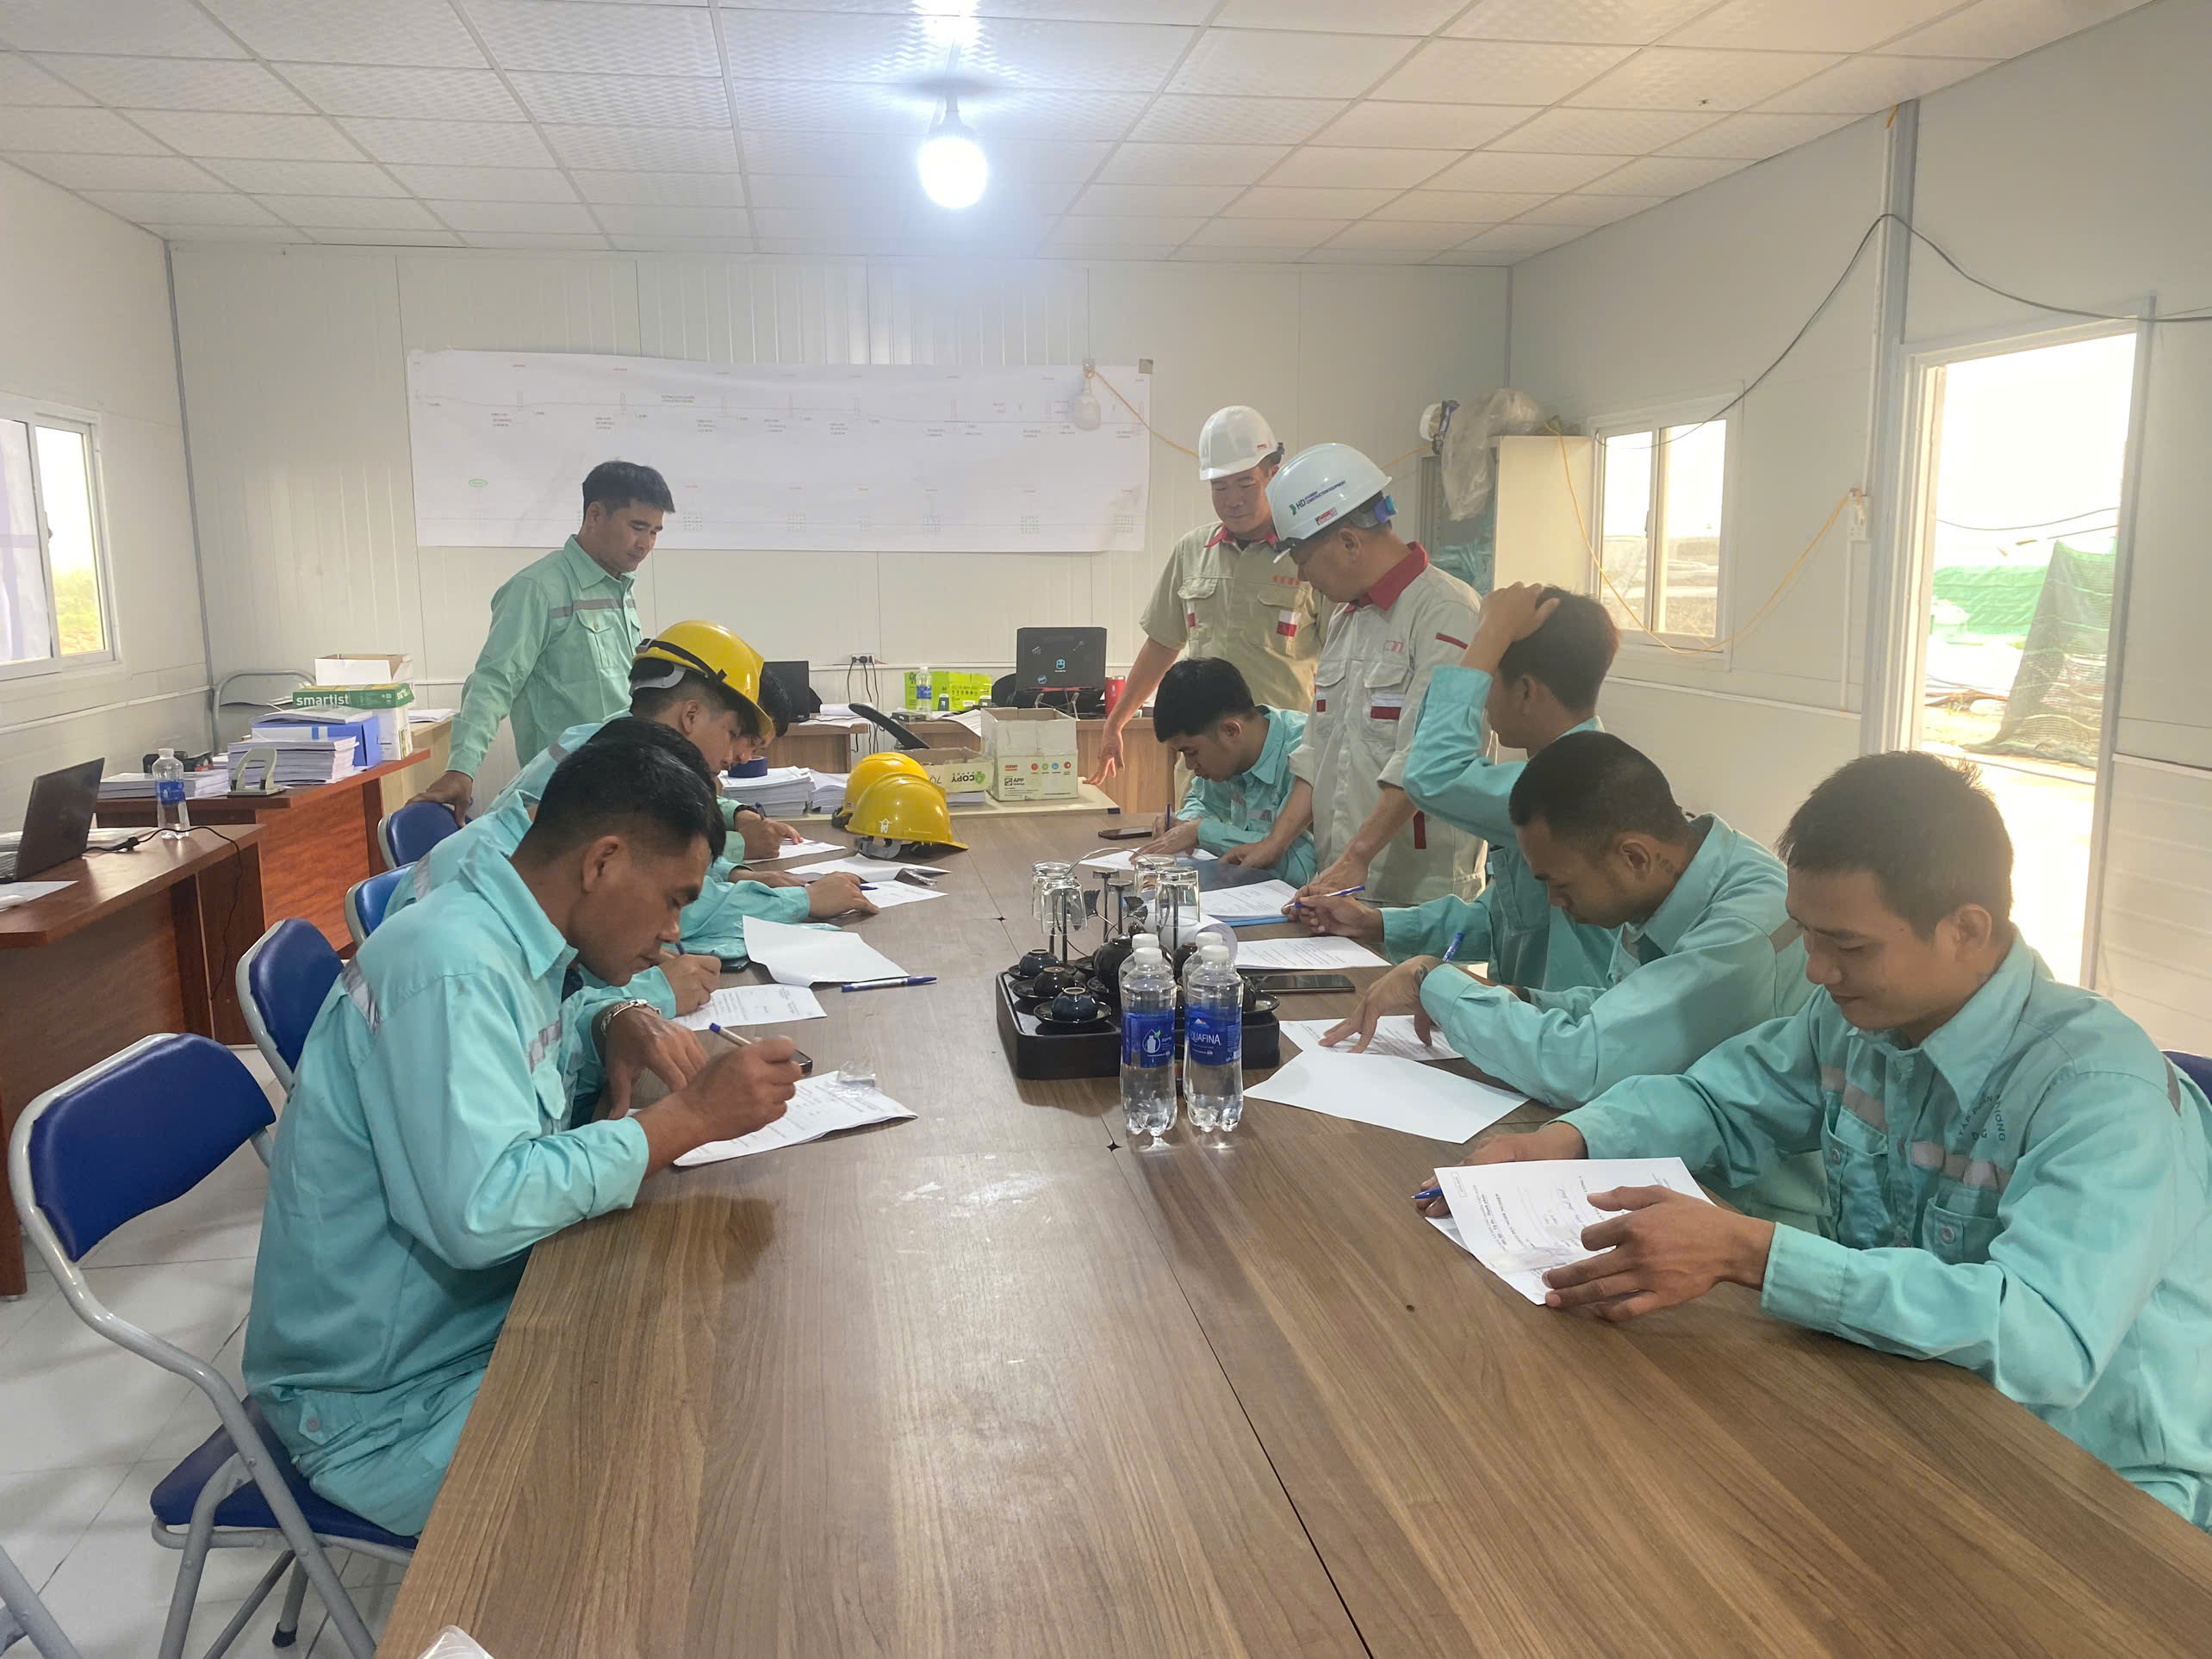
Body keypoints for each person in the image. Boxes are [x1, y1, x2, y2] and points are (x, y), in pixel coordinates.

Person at [1420, 752, 2212, 1529]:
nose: (1819, 971)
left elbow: (2046, 1340)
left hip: (2096, 1485)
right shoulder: (1859, 1019)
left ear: (1966, 930)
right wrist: (1570, 1137)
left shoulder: (2103, 1094)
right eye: (1806, 934)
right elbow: (1719, 1100)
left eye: (1849, 945)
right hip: (1905, 1402)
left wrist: (1755, 1254)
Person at [245, 735, 807, 1537]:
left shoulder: (513, 934)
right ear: (603, 862)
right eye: (673, 900)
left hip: (470, 1327)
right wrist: (687, 1119)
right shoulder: (452, 967)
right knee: (704, 1473)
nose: (675, 932)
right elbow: (483, 1209)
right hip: (384, 1407)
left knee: (724, 1360)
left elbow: (519, 1062)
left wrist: (608, 1023)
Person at [1336, 731, 1824, 1231]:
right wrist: (1518, 997)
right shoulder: (1671, 878)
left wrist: (1434, 981)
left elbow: (1584, 1068)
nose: (1553, 902)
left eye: (1558, 883)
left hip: (1747, 1210)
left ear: (1634, 857)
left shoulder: (1744, 932)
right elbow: (1619, 1007)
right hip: (1666, 1166)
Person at [387, 628, 874, 1010]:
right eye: (734, 735)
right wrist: (647, 997)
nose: (737, 758)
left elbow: (553, 1025)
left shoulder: (611, 748)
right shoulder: (463, 961)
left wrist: (615, 1017)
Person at [1299, 581, 1621, 992]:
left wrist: (1490, 635)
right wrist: (1372, 922)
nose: (1482, 702)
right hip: (1522, 1015)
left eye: (1487, 681)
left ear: (1525, 691)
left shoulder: (1572, 787)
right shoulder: (1554, 772)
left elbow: (1429, 774)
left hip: (1565, 1022)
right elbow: (1500, 921)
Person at [1222, 442, 1478, 907]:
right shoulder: (1346, 618)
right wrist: (1275, 844)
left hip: (1417, 893)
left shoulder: (1446, 612)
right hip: (1340, 877)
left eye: (1304, 562)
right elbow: (1317, 751)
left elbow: (1424, 757)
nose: (1304, 579)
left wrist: (1358, 856)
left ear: (1348, 542)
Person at [416, 460, 672, 814]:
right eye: (637, 528)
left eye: (655, 532)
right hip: (566, 794)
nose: (645, 544)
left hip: (623, 780)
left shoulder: (620, 587)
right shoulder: (537, 589)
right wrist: (461, 769)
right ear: (595, 515)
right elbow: (493, 682)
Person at [1089, 406, 1324, 788]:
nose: (1233, 500)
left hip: (1281, 764)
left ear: (1272, 474)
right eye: (1220, 487)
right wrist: (1116, 722)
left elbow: (1344, 659)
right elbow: (1162, 644)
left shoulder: (1309, 554)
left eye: (1246, 484)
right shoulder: (1193, 551)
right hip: (1203, 763)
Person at [1137, 656, 1315, 886]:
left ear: (1231, 731)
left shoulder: (1306, 750)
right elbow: (1205, 803)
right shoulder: (1227, 756)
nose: (1189, 765)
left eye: (1192, 752)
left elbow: (1301, 868)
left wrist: (1200, 832)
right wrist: (1183, 824)